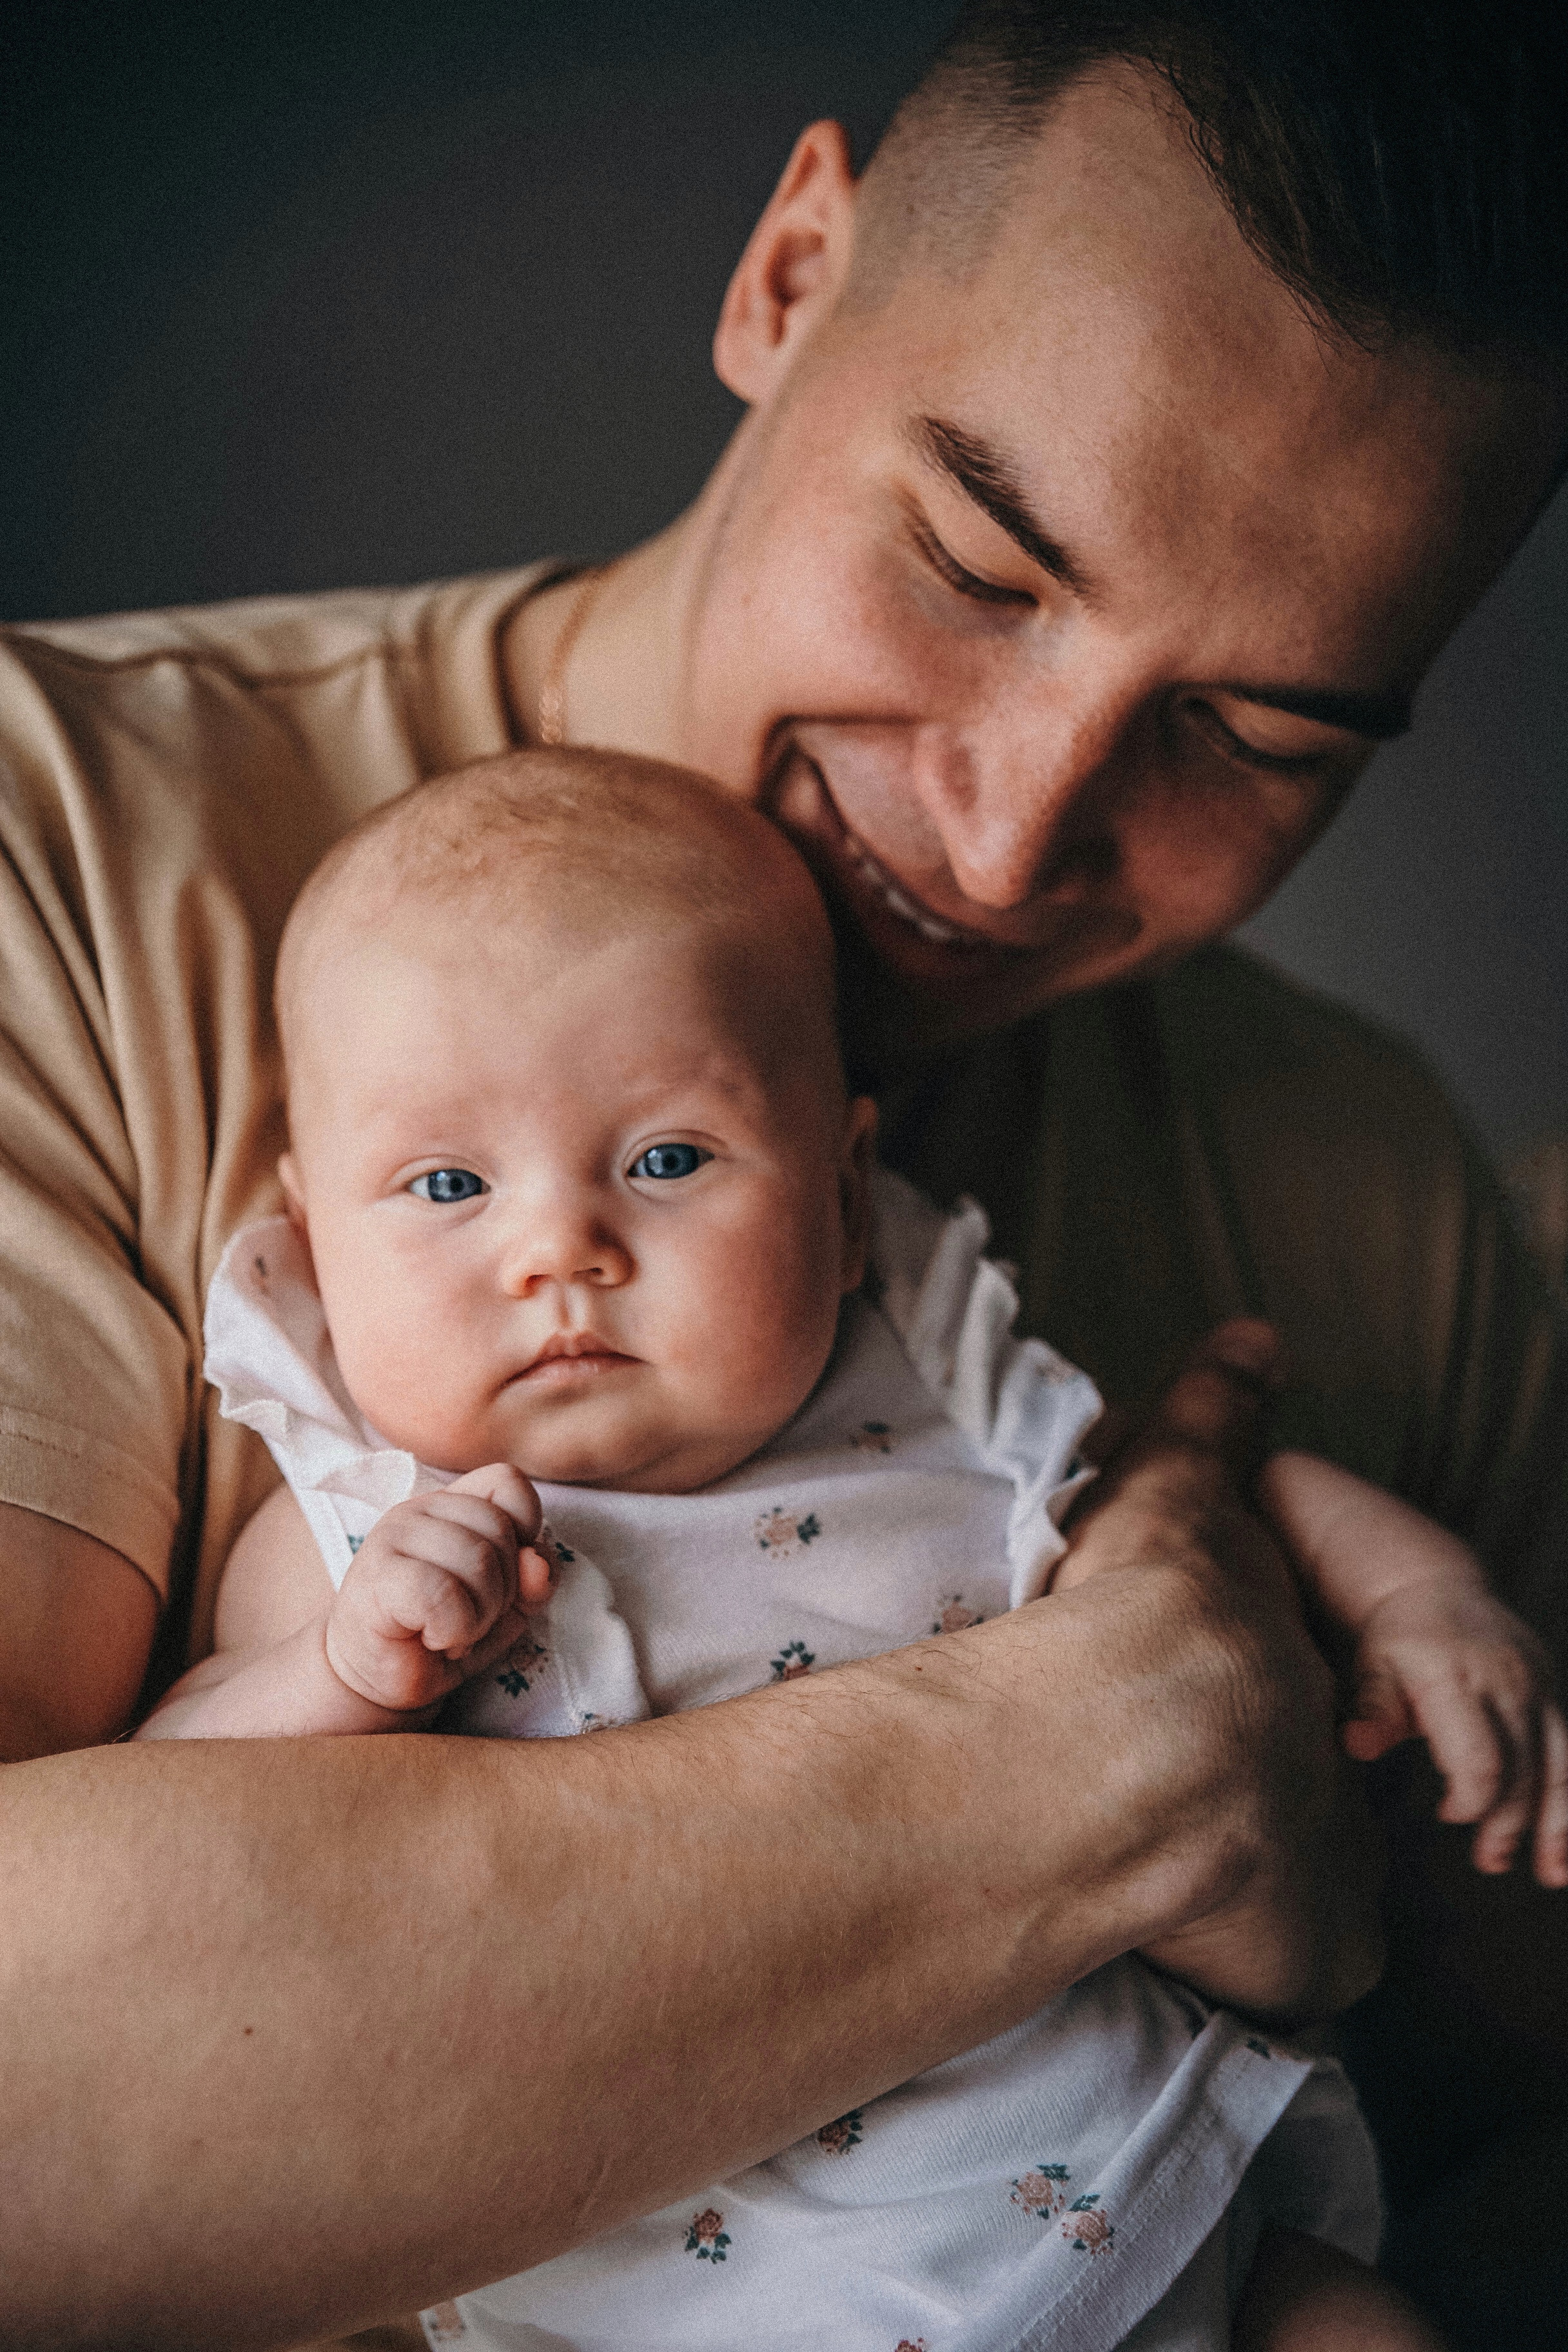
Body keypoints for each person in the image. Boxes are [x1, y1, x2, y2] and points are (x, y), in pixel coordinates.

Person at [1, 3, 1565, 2344]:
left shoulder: (1371, 1198)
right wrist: (1095, 1759)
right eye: (973, 562)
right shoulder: (60, 868)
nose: (1013, 829)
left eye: (1252, 733)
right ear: (788, 269)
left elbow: (1495, 2130)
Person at [144, 744, 1482, 2351]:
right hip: (708, 2298)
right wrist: (334, 1669)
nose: (558, 1246)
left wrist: (1419, 1592)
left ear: (846, 1198)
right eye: (445, 1184)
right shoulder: (360, 1529)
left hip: (1123, 2183)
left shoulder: (939, 1392)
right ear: (312, 1235)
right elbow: (189, 1826)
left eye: (666, 1160)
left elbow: (1212, 1495)